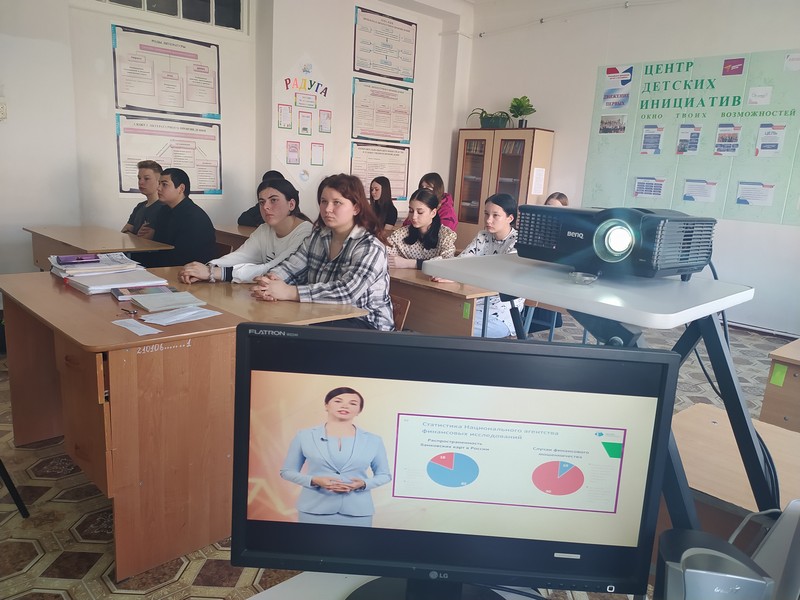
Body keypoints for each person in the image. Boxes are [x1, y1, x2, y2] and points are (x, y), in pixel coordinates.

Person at [250, 173, 394, 331]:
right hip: (324, 315)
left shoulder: (370, 246)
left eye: (337, 202)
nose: (327, 209)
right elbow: (292, 267)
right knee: (266, 325)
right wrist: (269, 282)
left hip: (367, 326)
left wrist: (290, 292)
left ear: (356, 208)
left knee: (287, 333)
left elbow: (346, 293)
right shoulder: (319, 236)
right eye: (324, 201)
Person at [280, 387, 391, 527]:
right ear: (326, 405)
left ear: (359, 410)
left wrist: (363, 484)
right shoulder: (304, 436)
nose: (345, 406)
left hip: (358, 511)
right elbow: (287, 472)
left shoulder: (373, 440)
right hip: (314, 510)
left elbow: (384, 475)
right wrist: (314, 480)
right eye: (338, 401)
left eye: (353, 403)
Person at [178, 178, 312, 284]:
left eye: (273, 200)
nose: (266, 207)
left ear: (291, 204)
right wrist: (208, 267)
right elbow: (240, 256)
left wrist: (211, 273)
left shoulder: (306, 233)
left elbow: (272, 270)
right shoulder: (264, 229)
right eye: (261, 202)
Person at [440, 193, 524, 338]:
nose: (488, 220)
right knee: (443, 321)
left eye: (495, 215)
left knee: (457, 329)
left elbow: (498, 276)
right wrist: (451, 275)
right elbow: (461, 262)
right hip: (475, 301)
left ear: (510, 218)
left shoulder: (518, 243)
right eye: (486, 214)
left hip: (502, 311)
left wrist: (459, 277)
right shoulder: (483, 236)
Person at [131, 168, 216, 268]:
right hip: (166, 262)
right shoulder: (164, 210)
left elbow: (182, 257)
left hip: (186, 269)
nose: (158, 188)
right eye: (159, 184)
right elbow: (160, 245)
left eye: (164, 184)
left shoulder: (194, 217)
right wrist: (149, 237)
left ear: (181, 188)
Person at [386, 188, 456, 270]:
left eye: (420, 212)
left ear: (433, 213)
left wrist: (409, 263)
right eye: (411, 211)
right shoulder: (401, 234)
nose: (414, 217)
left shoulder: (446, 235)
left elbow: (447, 263)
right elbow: (381, 252)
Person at [121, 160, 165, 236]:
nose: (140, 182)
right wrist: (136, 236)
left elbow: (145, 239)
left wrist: (132, 235)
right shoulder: (140, 206)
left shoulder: (163, 208)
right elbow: (124, 232)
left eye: (146, 179)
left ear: (159, 182)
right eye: (139, 178)